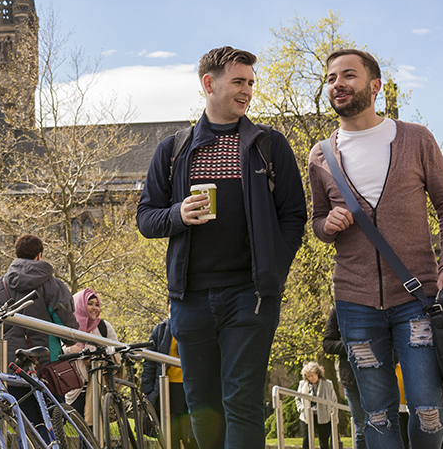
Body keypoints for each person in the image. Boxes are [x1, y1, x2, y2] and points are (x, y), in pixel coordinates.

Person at [137, 46, 308, 449]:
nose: (247, 90)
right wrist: (178, 214)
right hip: (189, 299)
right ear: (208, 84)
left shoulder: (270, 145)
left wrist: (274, 269)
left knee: (241, 400)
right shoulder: (173, 150)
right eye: (238, 82)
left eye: (250, 82)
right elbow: (146, 218)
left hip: (249, 296)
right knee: (201, 403)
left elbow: (294, 215)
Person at [308, 48, 443, 449]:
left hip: (416, 298)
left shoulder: (415, 139)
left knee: (429, 413)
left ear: (375, 86)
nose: (338, 84)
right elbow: (317, 221)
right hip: (354, 303)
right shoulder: (320, 156)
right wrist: (326, 226)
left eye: (349, 75)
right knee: (377, 417)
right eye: (331, 78)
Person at [0, 233, 77, 436]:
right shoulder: (53, 285)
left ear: (16, 255)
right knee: (53, 424)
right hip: (45, 366)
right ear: (39, 255)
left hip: (9, 369)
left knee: (25, 426)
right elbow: (66, 325)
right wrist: (72, 340)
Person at [143, 304, 197, 449]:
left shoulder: (196, 327)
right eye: (172, 303)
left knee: (191, 437)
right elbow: (149, 360)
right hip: (167, 389)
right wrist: (147, 389)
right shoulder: (161, 329)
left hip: (190, 389)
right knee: (170, 437)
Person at [66, 288, 118, 411]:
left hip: (99, 383)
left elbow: (117, 351)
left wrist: (98, 357)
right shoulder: (68, 326)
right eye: (89, 304)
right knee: (72, 426)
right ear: (80, 305)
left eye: (96, 304)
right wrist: (73, 351)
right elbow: (60, 350)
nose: (94, 308)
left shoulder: (104, 327)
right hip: (73, 385)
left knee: (94, 426)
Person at [323, 308, 367, 449]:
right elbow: (328, 344)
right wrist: (352, 346)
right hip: (351, 378)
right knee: (361, 428)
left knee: (383, 423)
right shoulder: (338, 310)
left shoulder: (376, 303)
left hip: (380, 374)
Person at [296, 361, 338, 449]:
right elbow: (298, 399)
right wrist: (302, 409)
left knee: (323, 441)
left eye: (312, 375)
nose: (311, 378)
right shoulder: (302, 384)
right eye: (308, 376)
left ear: (318, 373)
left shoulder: (328, 384)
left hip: (323, 416)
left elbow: (334, 401)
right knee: (306, 441)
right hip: (306, 416)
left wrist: (334, 416)